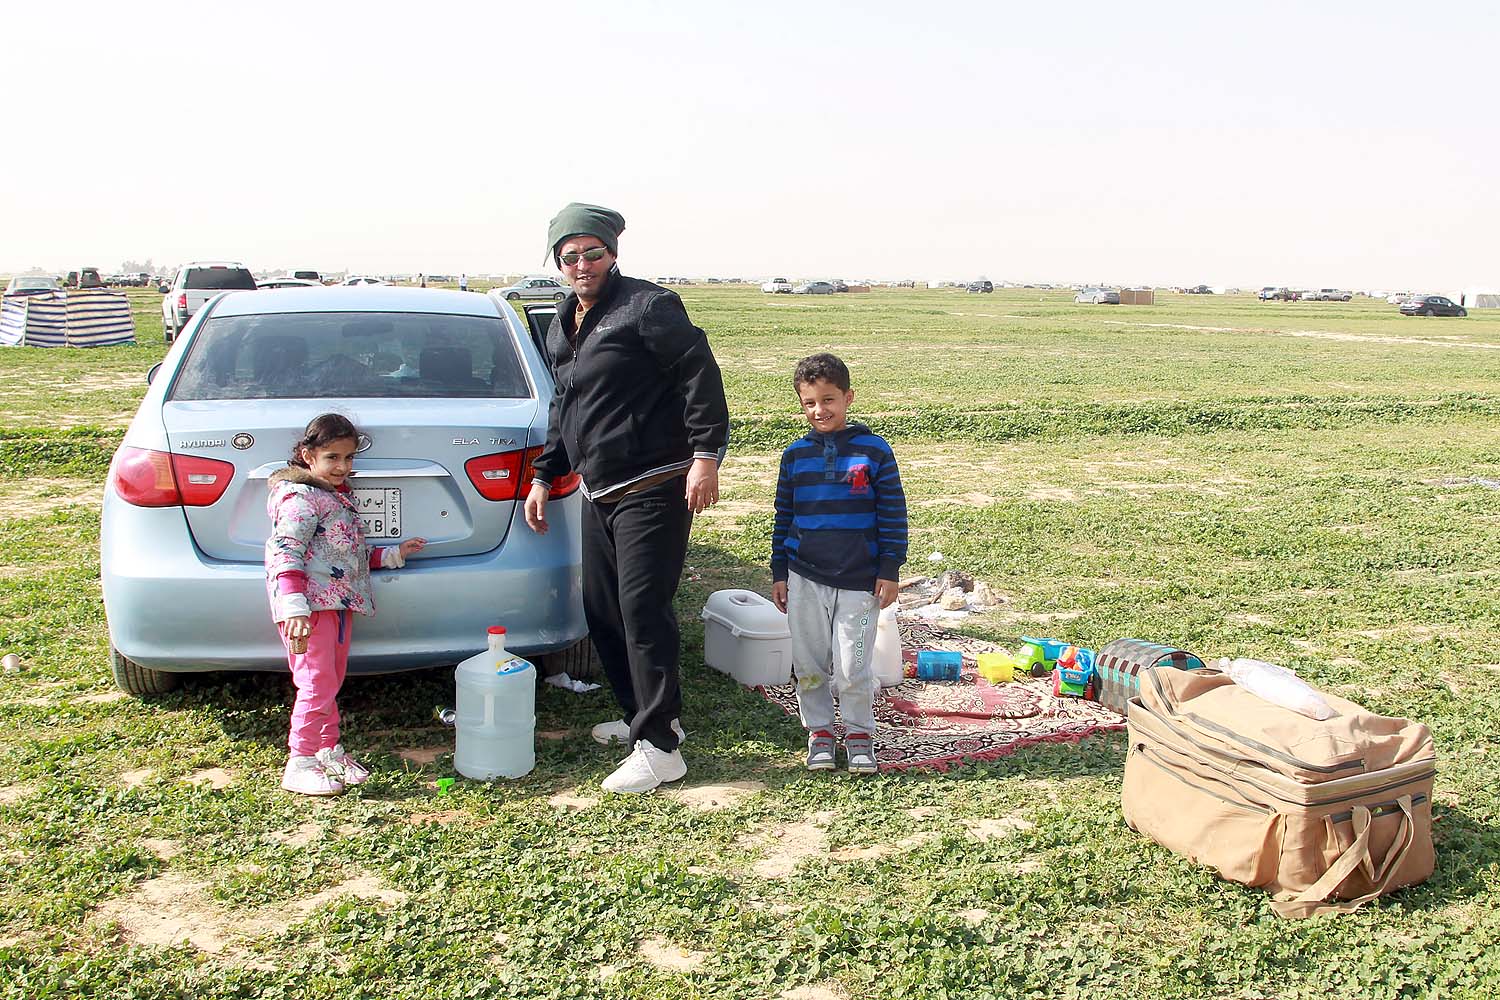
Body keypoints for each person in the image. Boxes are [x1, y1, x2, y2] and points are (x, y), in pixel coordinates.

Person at [524, 202, 729, 793]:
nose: (582, 264)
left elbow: (698, 375)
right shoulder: (565, 321)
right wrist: (546, 474)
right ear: (557, 263)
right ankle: (643, 715)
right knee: (604, 611)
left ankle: (662, 747)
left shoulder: (648, 306)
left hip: (655, 482)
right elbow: (569, 408)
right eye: (570, 257)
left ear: (612, 254)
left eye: (593, 252)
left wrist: (706, 456)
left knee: (642, 609)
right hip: (599, 488)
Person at [266, 413, 426, 795]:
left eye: (349, 458)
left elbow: (345, 553)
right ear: (308, 456)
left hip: (335, 605)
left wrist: (391, 554)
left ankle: (328, 749)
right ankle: (300, 760)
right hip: (309, 610)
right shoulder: (300, 498)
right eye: (332, 458)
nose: (342, 466)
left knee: (329, 680)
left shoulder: (334, 497)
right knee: (315, 682)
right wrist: (294, 607)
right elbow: (285, 551)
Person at [770, 353, 907, 775]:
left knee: (853, 664)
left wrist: (889, 568)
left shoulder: (875, 451)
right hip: (804, 576)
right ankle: (820, 733)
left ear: (848, 397)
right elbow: (783, 515)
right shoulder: (794, 456)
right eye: (809, 402)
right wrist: (779, 571)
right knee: (809, 664)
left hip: (859, 580)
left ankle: (860, 734)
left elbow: (892, 511)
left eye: (828, 400)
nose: (819, 410)